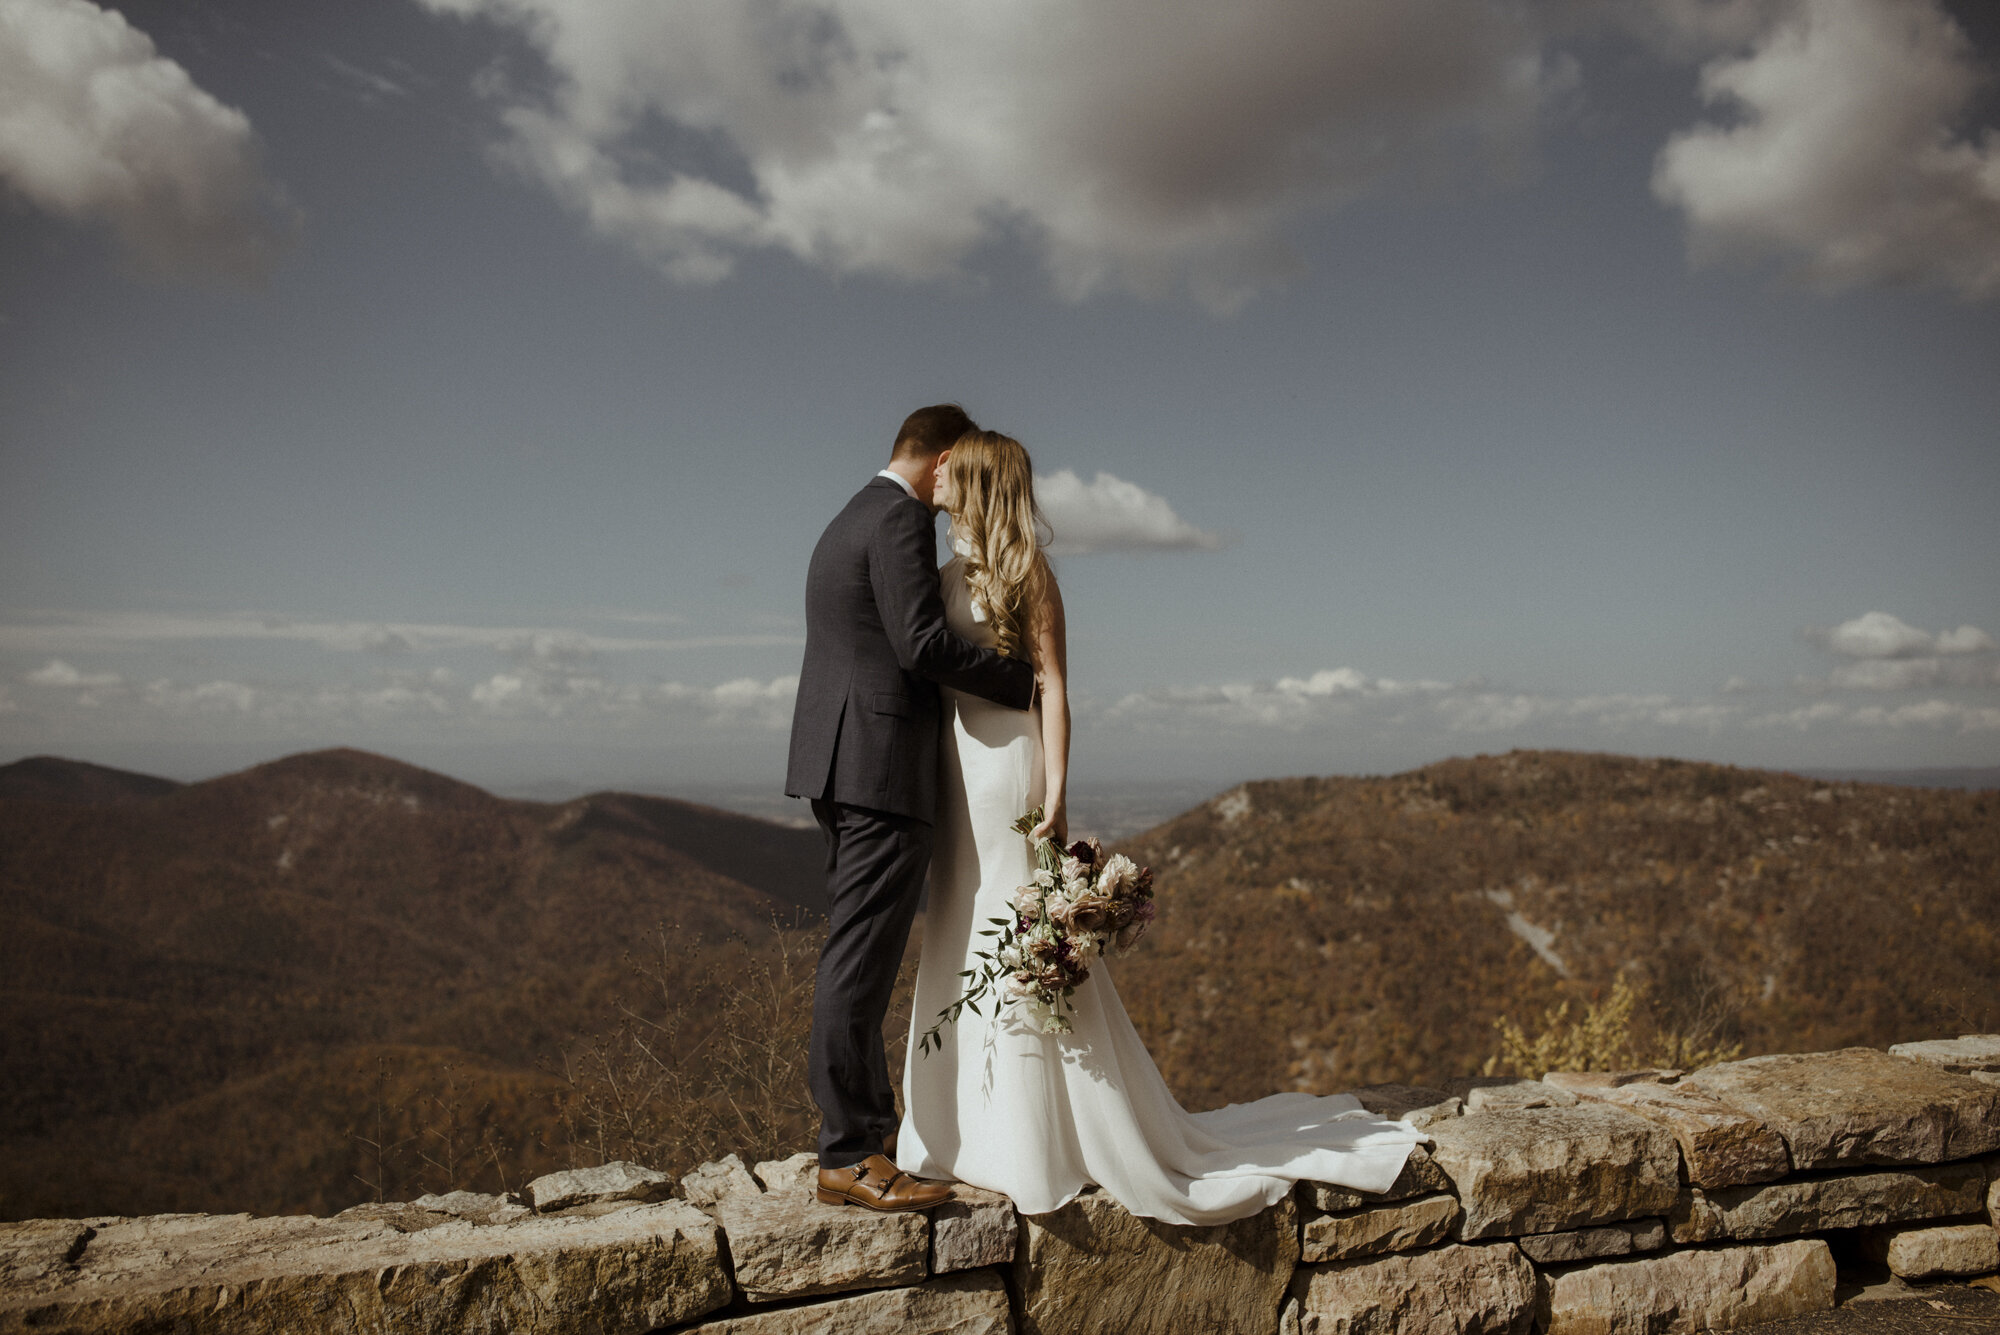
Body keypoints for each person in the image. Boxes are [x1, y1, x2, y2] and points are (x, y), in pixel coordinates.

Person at [893, 428, 1430, 1226]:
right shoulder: (937, 579)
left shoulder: (1030, 577)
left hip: (1009, 769)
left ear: (980, 485)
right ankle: (961, 1122)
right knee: (959, 930)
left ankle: (1036, 1135)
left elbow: (1057, 694)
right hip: (954, 770)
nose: (938, 483)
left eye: (953, 476)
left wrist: (1058, 792)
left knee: (1012, 931)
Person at [785, 404, 1038, 1213]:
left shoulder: (846, 516)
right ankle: (851, 1151)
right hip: (880, 765)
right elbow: (920, 642)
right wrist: (1021, 681)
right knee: (859, 960)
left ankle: (860, 1138)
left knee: (852, 953)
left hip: (837, 760)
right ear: (946, 458)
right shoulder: (898, 520)